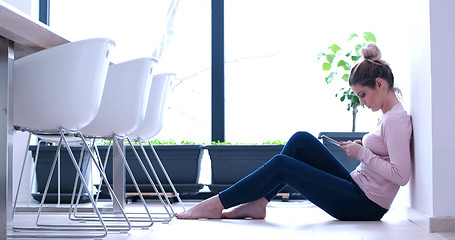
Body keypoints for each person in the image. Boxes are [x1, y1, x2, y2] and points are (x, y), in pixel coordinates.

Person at [175, 43, 412, 221]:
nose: (361, 102)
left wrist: (362, 153)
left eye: (362, 94)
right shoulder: (388, 117)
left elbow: (401, 176)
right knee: (301, 139)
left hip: (365, 204)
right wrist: (364, 147)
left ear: (379, 84)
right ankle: (259, 202)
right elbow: (384, 156)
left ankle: (216, 203)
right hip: (357, 186)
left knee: (282, 165)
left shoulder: (396, 121)